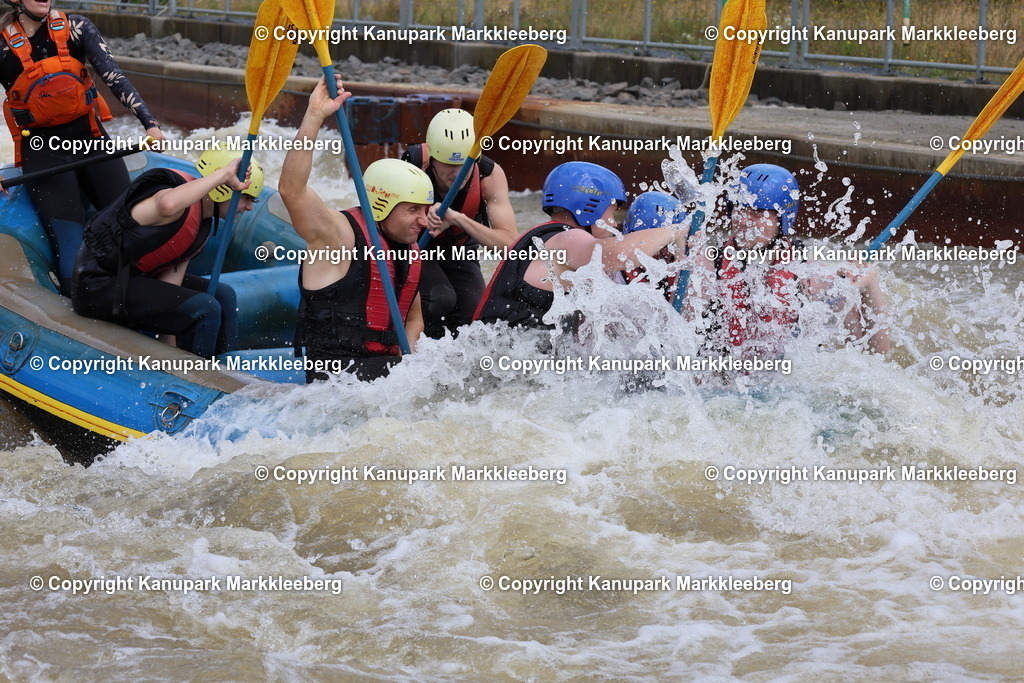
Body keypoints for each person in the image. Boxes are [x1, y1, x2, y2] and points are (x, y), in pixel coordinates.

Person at [0, 0, 166, 295]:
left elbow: (114, 76)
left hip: (90, 139)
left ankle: (142, 297)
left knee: (127, 226)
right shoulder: (1, 45)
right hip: (43, 150)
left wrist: (149, 124)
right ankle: (80, 311)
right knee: (71, 243)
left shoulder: (77, 27)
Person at [280, 75, 433, 383]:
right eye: (413, 210)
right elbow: (291, 190)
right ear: (381, 204)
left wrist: (411, 365)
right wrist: (314, 116)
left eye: (426, 211)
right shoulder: (338, 234)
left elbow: (414, 319)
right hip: (336, 380)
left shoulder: (409, 250)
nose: (424, 221)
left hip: (382, 379)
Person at [72, 149, 260, 358]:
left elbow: (170, 285)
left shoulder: (202, 221)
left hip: (133, 281)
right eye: (246, 198)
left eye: (253, 201)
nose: (250, 207)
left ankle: (225, 368)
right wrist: (224, 175)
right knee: (206, 308)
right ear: (222, 188)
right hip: (98, 286)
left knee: (223, 296)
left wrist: (168, 345)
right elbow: (167, 204)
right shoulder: (172, 197)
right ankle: (200, 379)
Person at [691, 163, 890, 360]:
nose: (743, 220)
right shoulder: (707, 266)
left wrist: (870, 287)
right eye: (739, 209)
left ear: (783, 218)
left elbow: (876, 356)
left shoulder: (808, 278)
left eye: (757, 213)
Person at [474, 161, 690, 329]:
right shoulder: (567, 240)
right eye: (612, 213)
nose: (614, 224)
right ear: (589, 207)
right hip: (509, 361)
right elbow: (616, 256)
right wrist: (675, 232)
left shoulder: (549, 238)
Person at [401, 108, 517, 338]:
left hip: (459, 248)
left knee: (474, 316)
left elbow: (509, 245)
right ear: (432, 159)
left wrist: (459, 220)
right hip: (415, 248)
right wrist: (422, 217)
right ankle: (413, 351)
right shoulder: (412, 165)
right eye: (448, 165)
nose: (457, 174)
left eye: (464, 164)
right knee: (441, 299)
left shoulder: (489, 176)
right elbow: (387, 226)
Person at [621, 190, 689, 301]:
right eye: (653, 243)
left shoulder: (677, 273)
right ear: (630, 236)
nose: (658, 253)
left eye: (668, 245)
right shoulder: (613, 273)